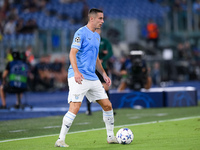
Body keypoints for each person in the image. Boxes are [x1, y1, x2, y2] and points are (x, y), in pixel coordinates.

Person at [55, 8, 118, 147]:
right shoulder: (80, 33)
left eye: (102, 18)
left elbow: (96, 58)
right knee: (75, 107)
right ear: (92, 19)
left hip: (92, 77)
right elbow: (72, 53)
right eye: (100, 18)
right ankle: (60, 139)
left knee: (107, 105)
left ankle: (111, 136)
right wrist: (76, 72)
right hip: (79, 76)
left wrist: (104, 74)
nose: (102, 21)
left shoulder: (97, 36)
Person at [86, 28, 113, 115]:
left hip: (102, 67)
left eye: (98, 30)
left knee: (105, 87)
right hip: (91, 68)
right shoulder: (89, 41)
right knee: (89, 88)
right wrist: (101, 52)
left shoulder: (104, 41)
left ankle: (108, 108)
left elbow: (110, 52)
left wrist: (102, 59)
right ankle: (89, 109)